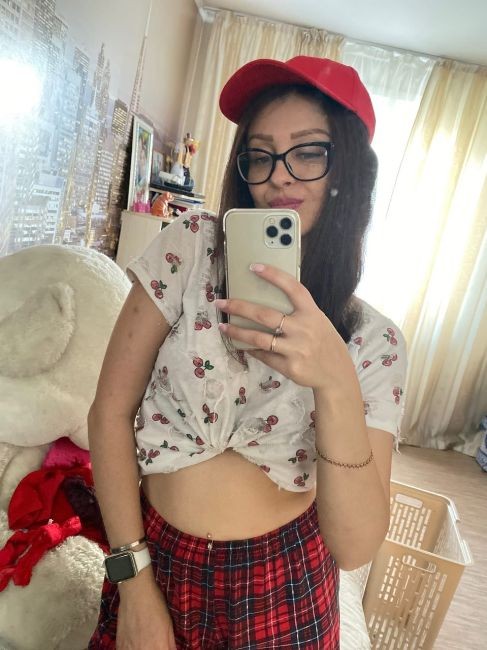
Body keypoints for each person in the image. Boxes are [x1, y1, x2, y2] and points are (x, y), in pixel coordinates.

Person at [88, 56, 407, 649]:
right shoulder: (189, 249)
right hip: (154, 555)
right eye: (260, 155)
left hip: (283, 584)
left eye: (308, 152)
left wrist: (335, 380)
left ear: (349, 170)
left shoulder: (373, 340)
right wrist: (132, 581)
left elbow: (355, 547)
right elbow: (108, 412)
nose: (279, 177)